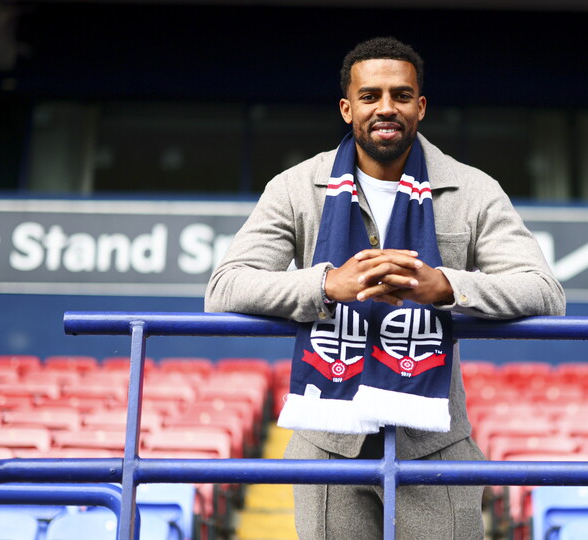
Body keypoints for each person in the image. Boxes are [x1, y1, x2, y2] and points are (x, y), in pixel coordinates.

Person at [206, 36, 565, 539]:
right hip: (328, 438)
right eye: (370, 96)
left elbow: (544, 291)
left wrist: (446, 286)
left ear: (420, 106)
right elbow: (225, 287)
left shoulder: (473, 188)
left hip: (434, 439)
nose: (386, 108)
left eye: (400, 95)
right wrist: (329, 284)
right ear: (346, 107)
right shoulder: (293, 187)